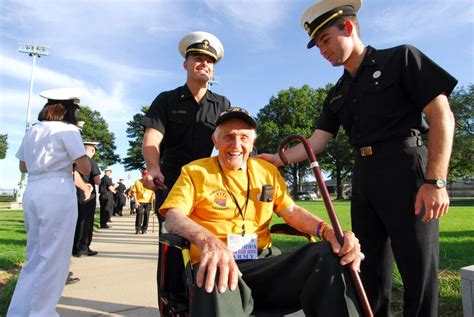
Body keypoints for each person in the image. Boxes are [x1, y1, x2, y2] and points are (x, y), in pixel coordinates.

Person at [258, 1, 458, 316]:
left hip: (408, 170)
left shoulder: (400, 58)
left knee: (418, 272)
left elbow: (441, 115)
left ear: (348, 27)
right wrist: (274, 159)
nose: (322, 50)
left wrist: (436, 181)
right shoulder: (338, 91)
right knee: (367, 270)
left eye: (325, 39)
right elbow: (316, 143)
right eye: (317, 44)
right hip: (365, 178)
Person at [159, 107, 364, 316]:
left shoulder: (266, 172)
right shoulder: (195, 171)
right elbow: (173, 216)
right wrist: (208, 241)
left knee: (329, 254)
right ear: (215, 140)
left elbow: (291, 210)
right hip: (219, 261)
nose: (236, 145)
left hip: (263, 264)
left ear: (252, 142)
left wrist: (328, 231)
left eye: (244, 137)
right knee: (215, 275)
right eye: (228, 137)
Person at [8, 88, 91, 317]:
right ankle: (42, 312)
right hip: (57, 188)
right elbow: (84, 167)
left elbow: (23, 166)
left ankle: (20, 311)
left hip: (34, 188)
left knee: (34, 256)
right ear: (68, 109)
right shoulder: (68, 130)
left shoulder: (33, 130)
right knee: (54, 258)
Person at [141, 31, 230, 233]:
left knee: (203, 241)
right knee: (172, 243)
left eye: (209, 61)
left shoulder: (222, 103)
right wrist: (153, 168)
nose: (204, 64)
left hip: (205, 180)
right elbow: (152, 138)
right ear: (185, 65)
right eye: (198, 59)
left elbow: (229, 141)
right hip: (170, 180)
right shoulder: (166, 100)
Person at [72, 141, 101, 257]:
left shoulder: (75, 161)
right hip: (88, 193)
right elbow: (97, 180)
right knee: (86, 221)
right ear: (92, 150)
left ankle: (74, 247)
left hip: (75, 192)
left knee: (76, 220)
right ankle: (83, 247)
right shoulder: (92, 162)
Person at [130, 169, 155, 234]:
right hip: (139, 201)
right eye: (144, 175)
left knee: (147, 214)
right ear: (142, 175)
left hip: (148, 201)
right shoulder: (137, 182)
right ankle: (138, 228)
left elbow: (155, 190)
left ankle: (144, 229)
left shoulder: (152, 182)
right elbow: (134, 192)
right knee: (139, 213)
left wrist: (154, 195)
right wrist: (136, 201)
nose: (146, 177)